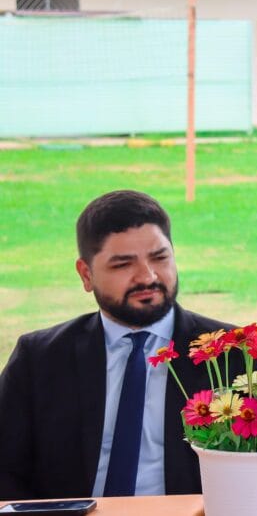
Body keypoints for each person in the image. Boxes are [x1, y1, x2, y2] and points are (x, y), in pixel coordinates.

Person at [0, 190, 236, 499]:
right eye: (123, 265)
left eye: (160, 257)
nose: (147, 276)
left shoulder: (234, 356)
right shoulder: (39, 359)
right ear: (86, 275)